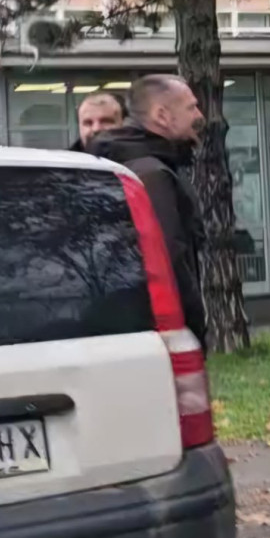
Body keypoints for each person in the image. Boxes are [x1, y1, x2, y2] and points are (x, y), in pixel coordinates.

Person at [92, 75, 209, 349]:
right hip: (162, 336)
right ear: (162, 115)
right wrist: (194, 334)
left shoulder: (122, 163)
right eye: (191, 107)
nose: (199, 115)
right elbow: (170, 260)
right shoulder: (152, 174)